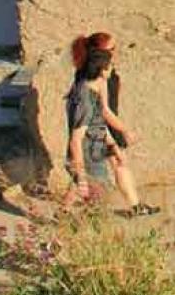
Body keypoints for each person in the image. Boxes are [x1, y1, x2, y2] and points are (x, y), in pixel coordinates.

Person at [65, 39, 158, 217]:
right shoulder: (85, 99)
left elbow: (99, 121)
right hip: (88, 155)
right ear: (100, 68)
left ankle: (63, 221)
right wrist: (81, 174)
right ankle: (63, 227)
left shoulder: (94, 88)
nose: (112, 67)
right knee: (89, 192)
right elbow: (76, 139)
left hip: (95, 150)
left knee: (87, 193)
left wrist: (112, 143)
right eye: (109, 65)